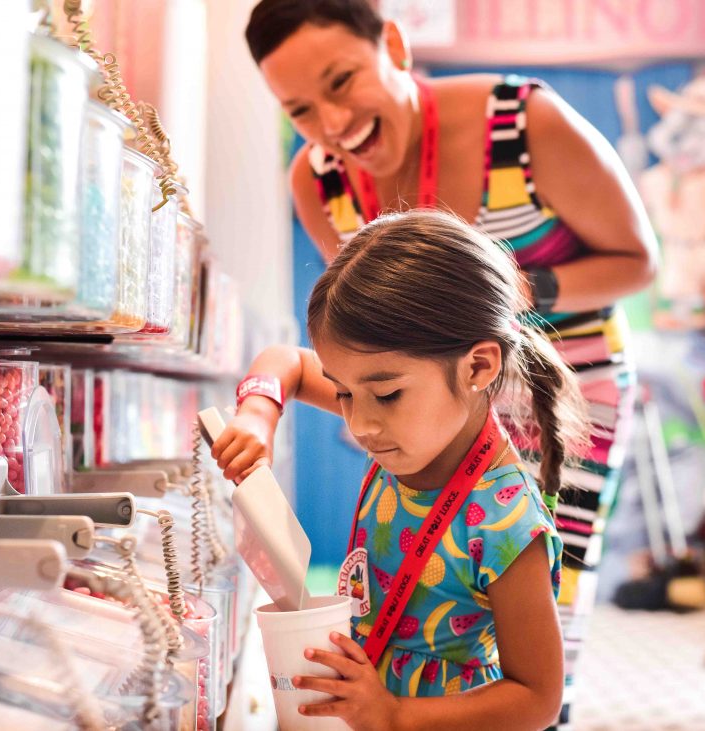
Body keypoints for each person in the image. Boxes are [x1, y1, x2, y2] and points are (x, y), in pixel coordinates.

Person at [244, 2, 659, 726]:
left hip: (562, 381)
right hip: (431, 388)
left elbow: (637, 261)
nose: (333, 124)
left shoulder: (525, 122)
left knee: (543, 604)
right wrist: (362, 394)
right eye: (302, 110)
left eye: (342, 82)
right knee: (443, 585)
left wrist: (501, 298)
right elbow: (360, 328)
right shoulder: (317, 180)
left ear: (394, 45)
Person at [213, 210, 585, 729]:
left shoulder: (506, 524)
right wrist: (257, 413)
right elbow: (288, 363)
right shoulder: (414, 433)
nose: (360, 423)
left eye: (386, 394)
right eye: (342, 392)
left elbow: (537, 698)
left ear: (478, 366)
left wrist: (394, 714)